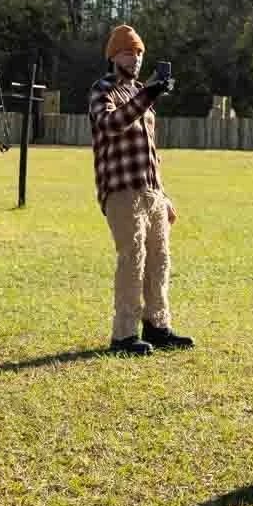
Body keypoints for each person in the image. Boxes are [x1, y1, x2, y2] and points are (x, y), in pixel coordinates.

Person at [88, 23, 192, 355]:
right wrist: (149, 94)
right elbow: (110, 124)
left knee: (159, 260)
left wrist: (163, 195)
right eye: (127, 52)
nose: (134, 58)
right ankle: (123, 336)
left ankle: (158, 326)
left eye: (138, 53)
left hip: (151, 192)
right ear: (112, 56)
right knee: (133, 259)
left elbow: (151, 153)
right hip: (121, 189)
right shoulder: (102, 90)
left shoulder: (141, 96)